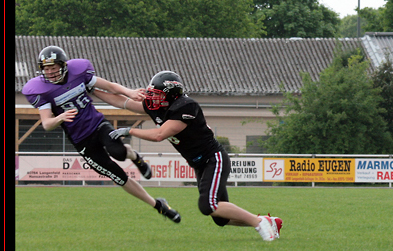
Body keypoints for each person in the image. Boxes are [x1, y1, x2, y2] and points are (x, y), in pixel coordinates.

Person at [102, 71, 281, 242]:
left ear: (172, 96)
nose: (152, 98)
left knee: (209, 206)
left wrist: (129, 130)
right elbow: (122, 102)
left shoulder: (186, 107)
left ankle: (259, 223)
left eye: (157, 94)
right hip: (199, 163)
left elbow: (159, 135)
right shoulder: (158, 105)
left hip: (213, 159)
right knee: (220, 217)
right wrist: (92, 90)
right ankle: (268, 221)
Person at [22, 45, 182, 223]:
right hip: (81, 140)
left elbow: (109, 86)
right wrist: (60, 117)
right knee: (118, 177)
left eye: (53, 67)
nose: (50, 72)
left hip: (97, 124)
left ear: (63, 65)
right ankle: (158, 205)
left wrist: (129, 92)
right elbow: (47, 124)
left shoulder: (79, 72)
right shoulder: (40, 89)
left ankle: (135, 157)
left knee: (118, 152)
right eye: (46, 68)